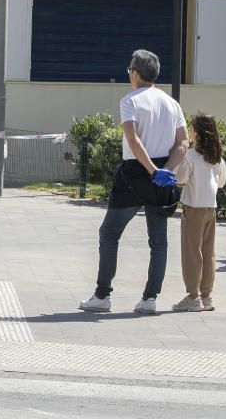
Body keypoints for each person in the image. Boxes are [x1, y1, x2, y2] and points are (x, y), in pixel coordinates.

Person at [80, 49, 188, 315]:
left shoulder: (130, 101)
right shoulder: (172, 103)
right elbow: (183, 142)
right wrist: (167, 170)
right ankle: (150, 299)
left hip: (134, 172)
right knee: (158, 240)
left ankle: (103, 295)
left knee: (109, 233)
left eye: (129, 70)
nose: (129, 74)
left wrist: (151, 169)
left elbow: (132, 138)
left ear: (136, 74)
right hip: (163, 173)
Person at [172, 114, 226, 313]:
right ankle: (206, 295)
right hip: (210, 207)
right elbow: (221, 183)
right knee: (208, 252)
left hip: (193, 206)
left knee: (191, 252)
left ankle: (193, 296)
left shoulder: (191, 156)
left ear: (199, 133)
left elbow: (181, 179)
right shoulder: (217, 157)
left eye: (192, 128)